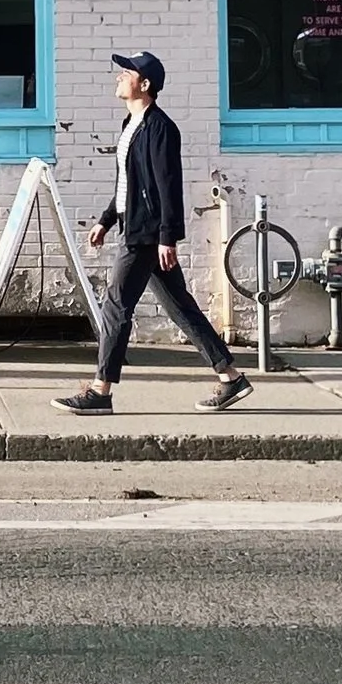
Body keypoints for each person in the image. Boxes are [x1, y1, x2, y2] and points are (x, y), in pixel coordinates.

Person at [53, 50, 252, 416]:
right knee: (180, 307)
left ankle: (101, 390)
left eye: (126, 73)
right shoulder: (130, 126)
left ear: (144, 85)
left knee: (115, 307)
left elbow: (166, 186)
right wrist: (105, 219)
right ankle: (230, 376)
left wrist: (166, 237)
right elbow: (127, 184)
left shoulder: (161, 128)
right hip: (134, 227)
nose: (118, 77)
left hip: (145, 236)